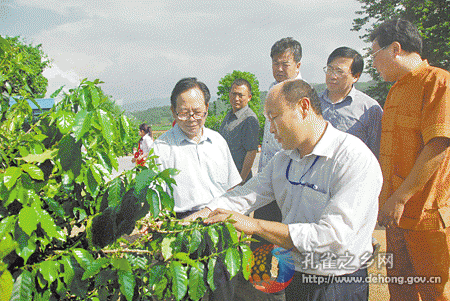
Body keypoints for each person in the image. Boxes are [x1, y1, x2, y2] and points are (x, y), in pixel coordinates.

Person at [190, 79, 383, 301]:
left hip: (338, 282)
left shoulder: (352, 158)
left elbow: (333, 237)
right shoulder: (283, 161)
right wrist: (186, 223)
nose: (270, 130)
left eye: (274, 117)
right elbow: (239, 198)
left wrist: (256, 225)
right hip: (297, 276)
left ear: (303, 107)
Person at [370, 18, 450, 300]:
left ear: (395, 48)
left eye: (374, 54)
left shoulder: (438, 82)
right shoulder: (395, 91)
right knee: (400, 292)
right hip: (397, 219)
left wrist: (401, 197)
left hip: (427, 217)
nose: (373, 63)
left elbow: (438, 146)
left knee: (434, 293)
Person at [152, 77, 242, 300]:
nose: (191, 119)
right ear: (173, 112)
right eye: (183, 112)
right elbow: (154, 200)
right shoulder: (161, 148)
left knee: (224, 291)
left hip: (220, 227)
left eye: (197, 112)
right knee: (189, 293)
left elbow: (233, 188)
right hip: (183, 229)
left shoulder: (218, 141)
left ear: (207, 109)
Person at [253, 37, 303, 254]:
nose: (279, 69)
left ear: (298, 65)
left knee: (290, 238)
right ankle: (257, 281)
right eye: (275, 63)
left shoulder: (303, 94)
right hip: (268, 177)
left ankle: (287, 285)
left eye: (285, 63)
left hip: (293, 181)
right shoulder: (273, 89)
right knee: (260, 234)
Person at [319, 46, 383, 157]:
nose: (333, 76)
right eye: (329, 70)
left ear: (355, 76)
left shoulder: (369, 109)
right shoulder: (311, 102)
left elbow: (377, 152)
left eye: (339, 72)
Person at [219, 78, 259, 184]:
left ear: (249, 97)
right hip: (225, 177)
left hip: (239, 180)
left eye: (240, 95)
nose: (236, 98)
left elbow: (251, 152)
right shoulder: (229, 116)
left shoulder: (249, 119)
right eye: (234, 94)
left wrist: (241, 181)